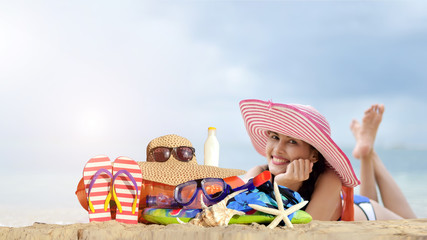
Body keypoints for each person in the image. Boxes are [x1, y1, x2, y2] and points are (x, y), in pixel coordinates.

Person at [240, 99, 416, 221]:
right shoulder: (257, 173)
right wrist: (281, 184)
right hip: (347, 209)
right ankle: (367, 152)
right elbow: (234, 210)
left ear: (314, 155)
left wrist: (284, 187)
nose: (277, 149)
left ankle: (369, 154)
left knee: (414, 223)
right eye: (274, 136)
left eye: (292, 141)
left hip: (369, 214)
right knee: (369, 198)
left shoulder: (329, 178)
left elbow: (309, 230)